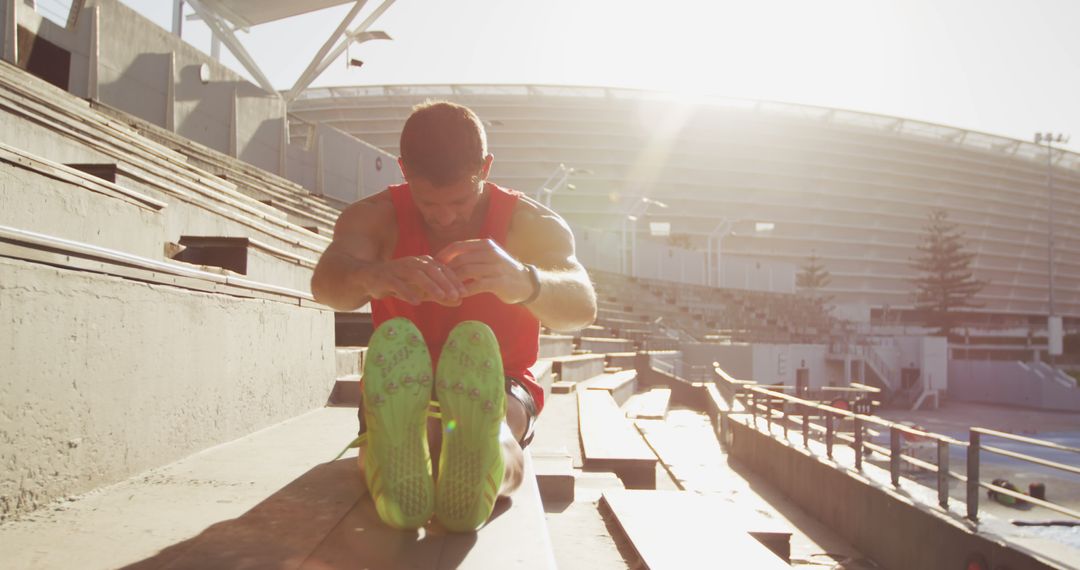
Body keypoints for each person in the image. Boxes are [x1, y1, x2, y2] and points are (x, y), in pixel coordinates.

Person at [310, 100, 597, 531]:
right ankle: (455, 463)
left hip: (499, 379)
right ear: (404, 170)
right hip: (403, 380)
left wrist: (523, 279)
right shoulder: (374, 218)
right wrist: (375, 275)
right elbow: (325, 284)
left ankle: (441, 460)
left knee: (489, 425)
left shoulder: (530, 223)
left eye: (459, 201)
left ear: (486, 167)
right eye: (429, 203)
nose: (444, 216)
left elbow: (583, 306)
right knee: (423, 431)